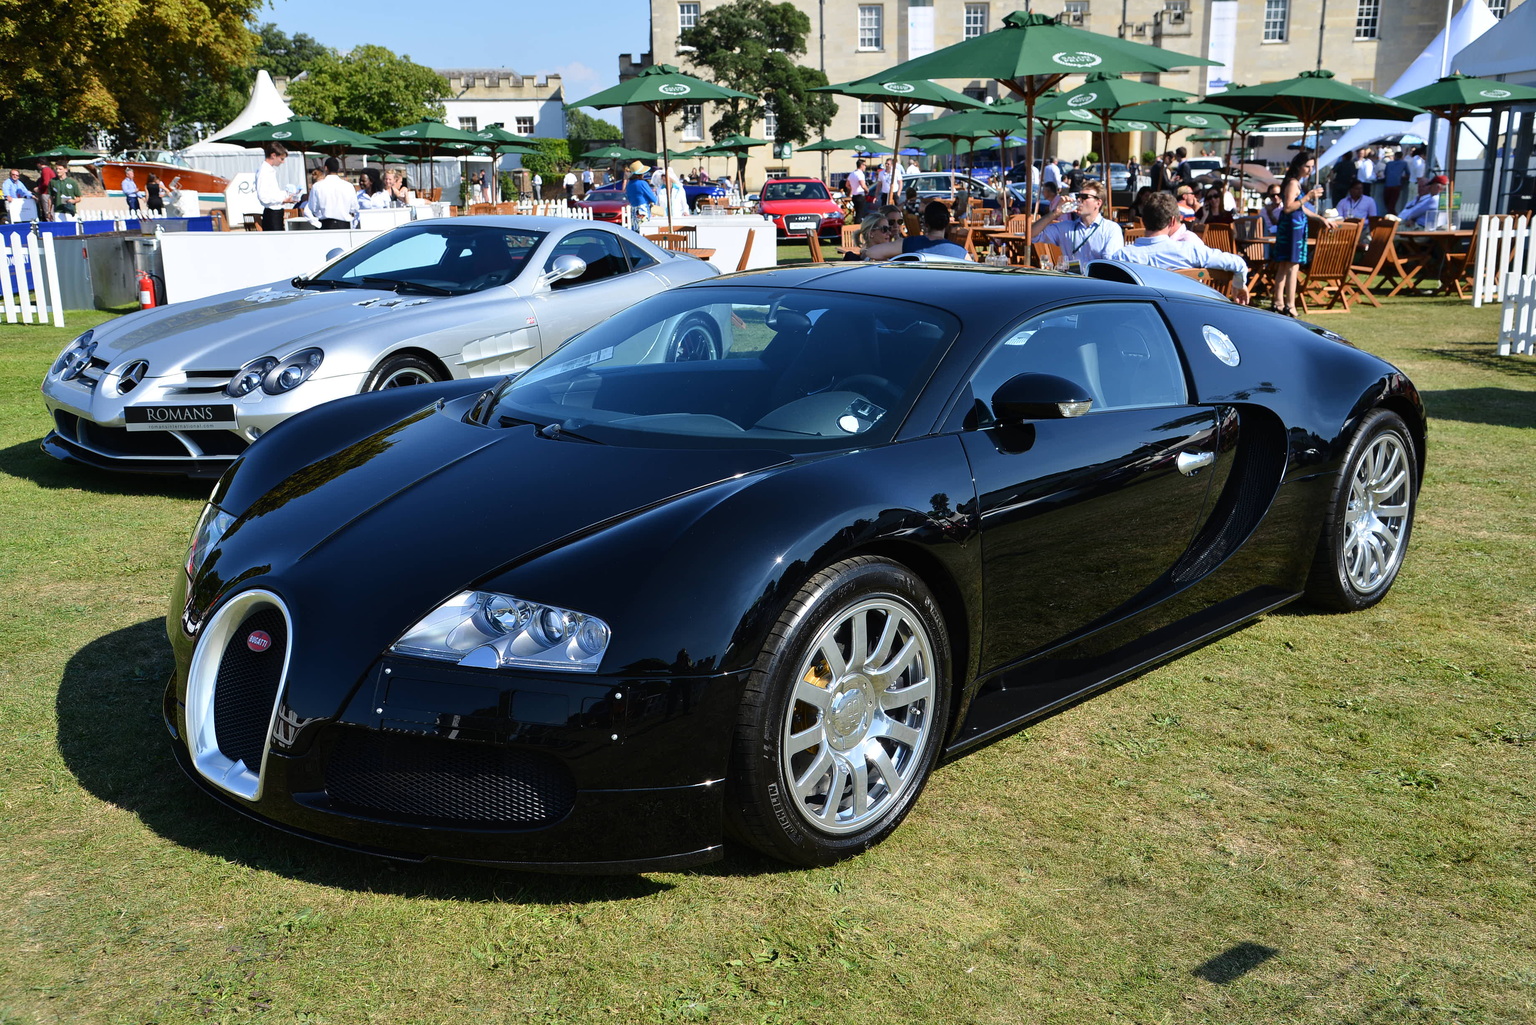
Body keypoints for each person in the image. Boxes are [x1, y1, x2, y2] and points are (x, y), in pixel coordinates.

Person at [1110, 192, 1250, 304]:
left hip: (1138, 321)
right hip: (1183, 318)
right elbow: (1238, 263)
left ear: (1143, 221)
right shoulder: (1189, 251)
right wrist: (1239, 285)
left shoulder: (1121, 256)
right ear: (1172, 221)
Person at [1271, 149, 1329, 317]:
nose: (1310, 170)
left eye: (1312, 167)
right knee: (1291, 266)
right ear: (1298, 166)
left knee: (1284, 266)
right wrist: (1308, 196)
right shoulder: (1293, 183)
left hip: (1294, 226)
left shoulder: (1295, 182)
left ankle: (1278, 302)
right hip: (1291, 229)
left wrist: (1319, 218)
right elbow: (1289, 207)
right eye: (1307, 167)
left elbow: (1300, 208)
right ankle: (1289, 304)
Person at [1030, 180, 1124, 269]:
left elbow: (1111, 265)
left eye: (1084, 197)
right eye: (1078, 196)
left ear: (1098, 203)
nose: (1079, 200)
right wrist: (1055, 213)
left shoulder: (1111, 229)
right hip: (1073, 283)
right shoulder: (1067, 227)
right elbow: (1031, 234)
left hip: (1098, 283)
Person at [862, 200, 969, 261]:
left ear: (925, 223)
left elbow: (872, 252)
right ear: (947, 224)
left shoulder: (909, 244)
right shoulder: (960, 253)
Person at [306, 156, 359, 229]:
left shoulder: (317, 186)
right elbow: (354, 208)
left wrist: (318, 220)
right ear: (338, 169)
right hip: (344, 225)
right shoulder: (349, 186)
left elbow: (313, 208)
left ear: (325, 168)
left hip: (325, 224)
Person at [255, 142, 294, 231]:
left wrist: (285, 196)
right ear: (273, 155)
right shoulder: (264, 172)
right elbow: (263, 197)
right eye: (281, 159)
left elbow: (272, 192)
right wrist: (283, 199)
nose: (283, 162)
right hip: (272, 214)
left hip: (275, 212)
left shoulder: (269, 170)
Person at [624, 160, 658, 228]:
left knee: (636, 232)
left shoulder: (629, 184)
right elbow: (653, 199)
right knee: (645, 231)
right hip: (643, 210)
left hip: (633, 211)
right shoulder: (642, 183)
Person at [1381, 149, 1408, 213]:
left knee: (1387, 204)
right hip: (1396, 185)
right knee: (1392, 204)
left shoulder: (1389, 163)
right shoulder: (1404, 163)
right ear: (1401, 157)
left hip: (1387, 185)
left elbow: (1385, 173)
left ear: (1394, 156)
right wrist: (1401, 177)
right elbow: (1408, 174)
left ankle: (1391, 217)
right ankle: (1393, 217)